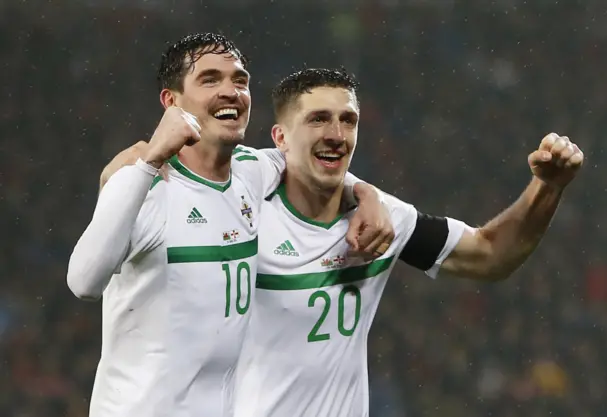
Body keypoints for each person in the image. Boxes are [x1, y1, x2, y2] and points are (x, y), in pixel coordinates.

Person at [66, 34, 392, 417]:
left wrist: (370, 196)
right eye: (210, 79)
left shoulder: (253, 172)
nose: (231, 91)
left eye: (240, 80)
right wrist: (149, 160)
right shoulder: (145, 183)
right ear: (171, 102)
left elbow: (312, 165)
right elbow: (83, 282)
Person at [229, 68, 584, 417]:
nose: (337, 134)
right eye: (318, 119)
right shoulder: (243, 211)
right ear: (280, 138)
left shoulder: (386, 218)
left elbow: (491, 255)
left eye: (348, 120)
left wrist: (548, 188)